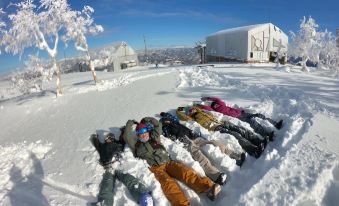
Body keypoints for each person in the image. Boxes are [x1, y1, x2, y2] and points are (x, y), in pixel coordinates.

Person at [122, 117, 221, 206]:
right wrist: (130, 122)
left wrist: (147, 119)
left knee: (185, 172)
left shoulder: (155, 137)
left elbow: (157, 125)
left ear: (148, 132)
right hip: (156, 168)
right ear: (138, 136)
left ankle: (207, 188)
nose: (143, 136)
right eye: (141, 134)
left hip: (168, 162)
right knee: (169, 184)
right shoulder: (137, 146)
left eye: (145, 133)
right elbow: (127, 136)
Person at [159, 112, 246, 184]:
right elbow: (169, 138)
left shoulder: (177, 123)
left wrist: (164, 114)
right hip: (187, 144)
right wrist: (176, 139)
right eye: (165, 121)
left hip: (196, 138)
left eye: (167, 119)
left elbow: (174, 117)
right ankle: (217, 176)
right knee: (201, 157)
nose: (167, 121)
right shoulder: (166, 129)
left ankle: (235, 156)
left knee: (215, 143)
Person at [90, 131, 154, 206]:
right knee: (107, 183)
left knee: (128, 178)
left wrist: (123, 130)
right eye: (107, 138)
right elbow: (96, 143)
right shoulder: (102, 146)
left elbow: (123, 139)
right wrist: (94, 137)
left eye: (111, 138)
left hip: (118, 166)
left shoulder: (118, 144)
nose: (109, 139)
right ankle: (104, 202)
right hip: (108, 167)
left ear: (114, 139)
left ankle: (142, 195)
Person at [176, 106, 267, 158]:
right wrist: (179, 111)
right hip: (216, 128)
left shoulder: (202, 112)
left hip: (222, 123)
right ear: (190, 114)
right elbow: (184, 117)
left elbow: (197, 108)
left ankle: (258, 141)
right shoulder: (194, 118)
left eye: (193, 109)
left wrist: (188, 107)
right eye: (191, 111)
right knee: (236, 135)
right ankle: (253, 150)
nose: (193, 110)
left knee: (240, 129)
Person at [199, 97, 283, 141]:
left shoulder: (222, 104)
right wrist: (201, 105)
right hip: (238, 117)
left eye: (216, 104)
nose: (216, 106)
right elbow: (208, 109)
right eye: (214, 106)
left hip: (242, 112)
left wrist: (208, 98)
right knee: (254, 124)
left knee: (259, 115)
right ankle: (267, 135)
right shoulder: (215, 110)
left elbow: (217, 99)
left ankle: (276, 124)